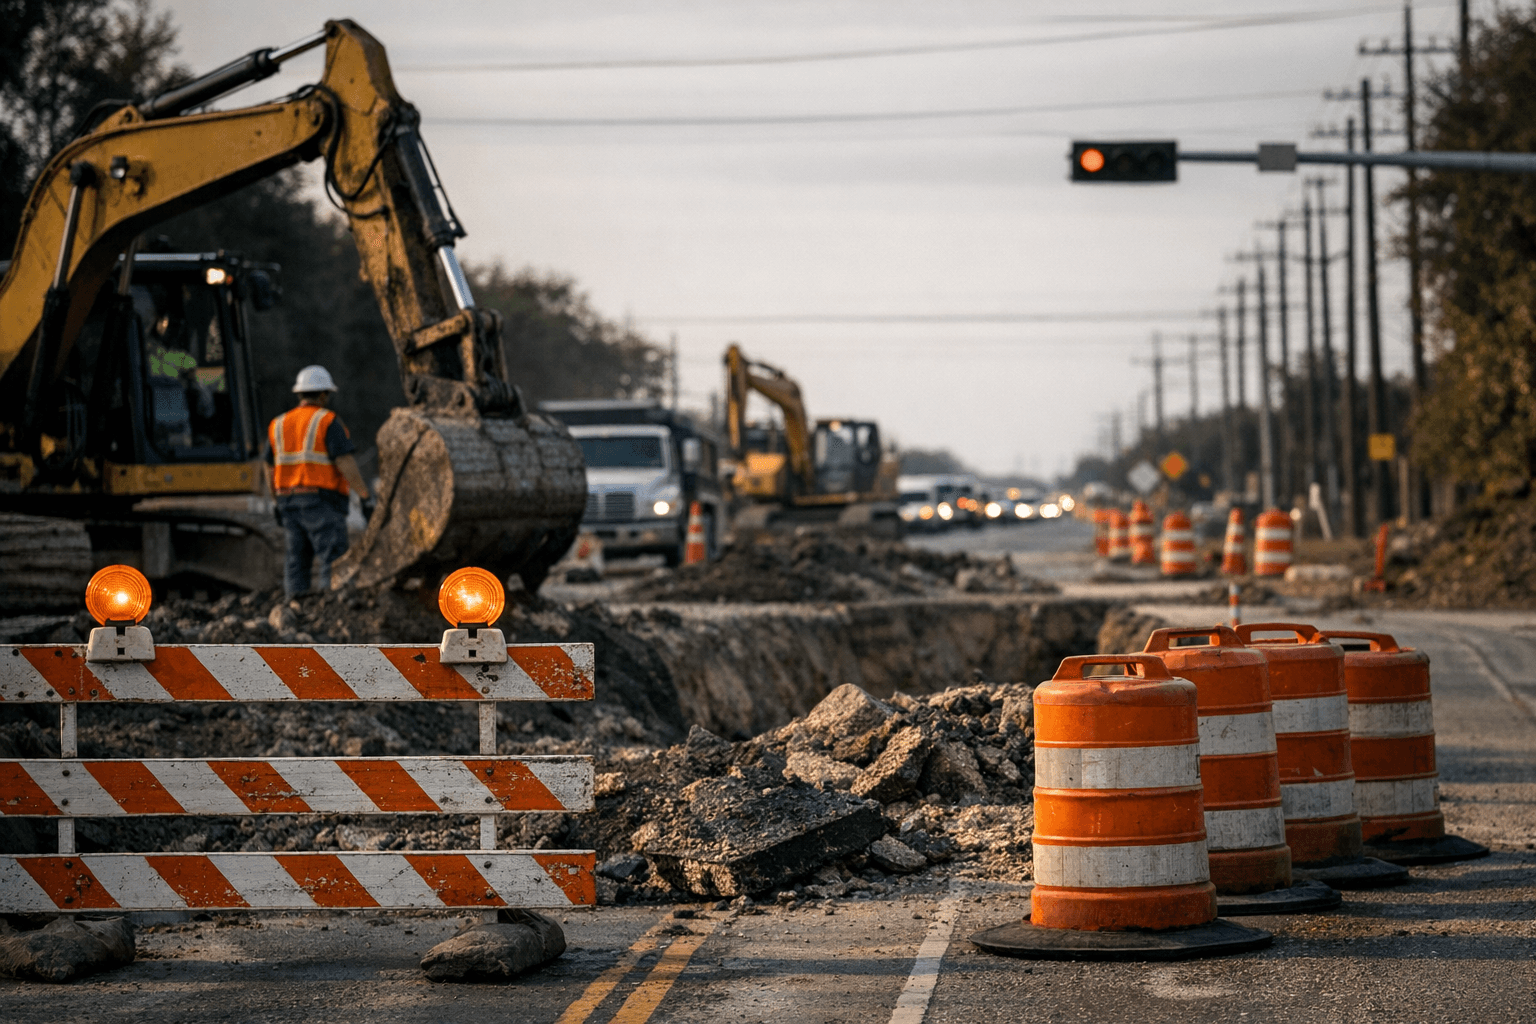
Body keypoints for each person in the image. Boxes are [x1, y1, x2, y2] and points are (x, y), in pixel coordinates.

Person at [264, 365, 372, 598]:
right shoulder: (327, 420)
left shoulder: (278, 423)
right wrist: (365, 496)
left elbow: (268, 466)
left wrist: (274, 500)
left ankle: (294, 609)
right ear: (323, 394)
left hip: (287, 501)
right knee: (332, 557)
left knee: (296, 558)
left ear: (300, 394)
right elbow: (344, 461)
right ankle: (331, 608)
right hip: (320, 501)